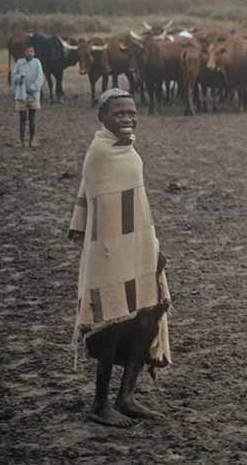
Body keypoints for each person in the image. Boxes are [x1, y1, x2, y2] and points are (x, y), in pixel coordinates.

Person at [67, 88, 172, 427]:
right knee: (113, 321)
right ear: (103, 118)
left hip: (138, 245)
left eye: (131, 112)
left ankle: (126, 395)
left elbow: (137, 205)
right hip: (110, 252)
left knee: (146, 316)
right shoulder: (99, 153)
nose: (127, 118)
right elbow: (106, 214)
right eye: (118, 114)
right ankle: (100, 404)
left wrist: (152, 247)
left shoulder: (126, 149)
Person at [13, 43, 44, 147]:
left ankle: (31, 140)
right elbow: (14, 78)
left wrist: (33, 88)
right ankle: (22, 141)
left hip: (33, 95)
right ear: (24, 53)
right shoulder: (19, 63)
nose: (29, 53)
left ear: (34, 53)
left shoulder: (37, 63)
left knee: (32, 118)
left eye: (31, 51)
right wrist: (19, 78)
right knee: (22, 118)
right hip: (21, 95)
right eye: (27, 51)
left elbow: (40, 78)